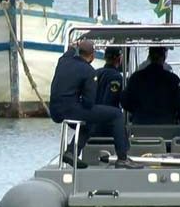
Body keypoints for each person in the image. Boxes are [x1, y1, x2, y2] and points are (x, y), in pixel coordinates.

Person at [49, 40, 140, 169]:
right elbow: (89, 102)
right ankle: (122, 158)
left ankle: (71, 152)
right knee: (116, 115)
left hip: (54, 110)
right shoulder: (88, 71)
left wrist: (72, 47)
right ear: (92, 56)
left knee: (90, 122)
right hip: (70, 110)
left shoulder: (63, 60)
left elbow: (69, 52)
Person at [121, 46, 180, 124]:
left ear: (149, 56)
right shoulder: (173, 79)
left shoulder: (135, 78)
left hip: (140, 126)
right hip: (167, 126)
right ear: (164, 57)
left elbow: (125, 101)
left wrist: (137, 111)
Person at [92, 47, 123, 137]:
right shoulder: (116, 77)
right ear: (119, 58)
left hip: (92, 121)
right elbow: (110, 100)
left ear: (105, 57)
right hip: (107, 125)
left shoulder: (95, 73)